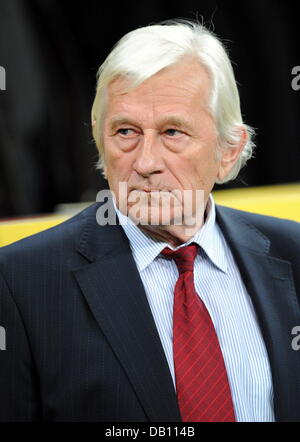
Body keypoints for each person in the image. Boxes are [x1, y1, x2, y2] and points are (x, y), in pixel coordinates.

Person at [0, 19, 300, 423]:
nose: (145, 162)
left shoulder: (292, 254)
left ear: (229, 150)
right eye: (125, 132)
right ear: (98, 138)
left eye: (173, 132)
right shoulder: (21, 281)